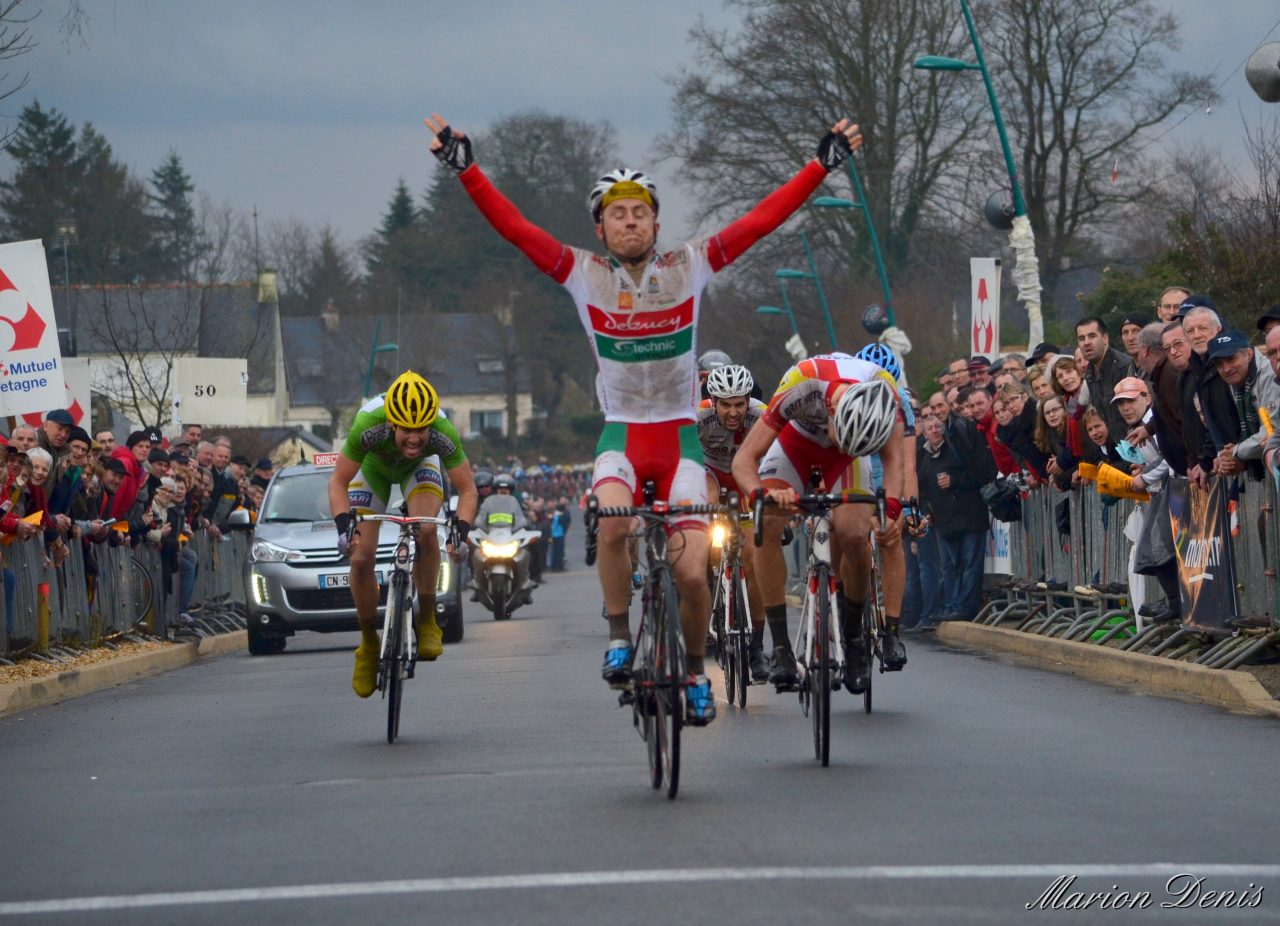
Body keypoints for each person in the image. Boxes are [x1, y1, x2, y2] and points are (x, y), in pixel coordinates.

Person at [428, 110, 865, 726]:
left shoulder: (692, 264)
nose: (630, 222)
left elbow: (761, 221)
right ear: (600, 228)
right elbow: (517, 231)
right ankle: (616, 633)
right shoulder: (583, 275)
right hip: (621, 437)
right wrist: (469, 172)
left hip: (681, 440)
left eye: (640, 213)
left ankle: (691, 670)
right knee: (611, 524)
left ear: (656, 223)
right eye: (617, 214)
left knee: (691, 572)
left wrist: (820, 167)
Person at [731, 352, 905, 695]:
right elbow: (744, 460)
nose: (839, 444)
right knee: (766, 524)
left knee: (855, 534)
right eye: (842, 436)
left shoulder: (884, 392)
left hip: (850, 462)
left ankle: (854, 639)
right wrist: (758, 495)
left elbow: (894, 460)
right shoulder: (802, 382)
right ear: (834, 416)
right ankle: (780, 649)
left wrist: (891, 513)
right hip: (797, 445)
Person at [328, 370, 479, 698]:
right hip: (373, 471)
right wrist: (344, 527)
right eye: (406, 430)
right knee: (361, 557)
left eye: (421, 430)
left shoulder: (442, 432)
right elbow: (338, 481)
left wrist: (460, 534)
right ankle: (368, 642)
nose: (414, 438)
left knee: (426, 527)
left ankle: (427, 620)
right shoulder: (369, 424)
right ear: (392, 424)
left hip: (420, 470)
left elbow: (468, 489)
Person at [696, 363, 770, 681]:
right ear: (713, 401)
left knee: (754, 560)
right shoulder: (698, 417)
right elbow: (680, 457)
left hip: (745, 474)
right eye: (725, 404)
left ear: (747, 401)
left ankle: (755, 648)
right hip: (711, 473)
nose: (732, 412)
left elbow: (776, 461)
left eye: (739, 404)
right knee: (705, 513)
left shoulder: (762, 415)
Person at [1076, 316, 1134, 443]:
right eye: (1082, 338)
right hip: (1120, 448)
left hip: (1140, 445)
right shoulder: (1090, 373)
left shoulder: (1123, 367)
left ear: (1105, 338)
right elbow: (1106, 417)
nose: (1086, 342)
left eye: (1092, 336)